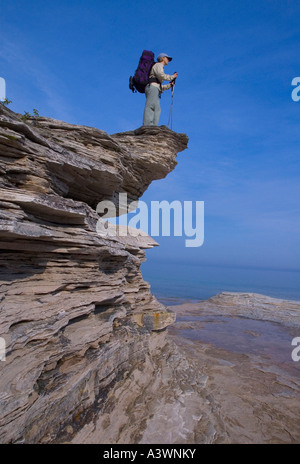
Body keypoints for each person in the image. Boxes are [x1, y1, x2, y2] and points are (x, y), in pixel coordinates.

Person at [143, 53, 178, 126]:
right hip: (152, 88)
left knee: (157, 108)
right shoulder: (158, 65)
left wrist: (169, 85)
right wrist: (172, 77)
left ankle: (153, 126)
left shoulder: (159, 66)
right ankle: (147, 126)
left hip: (154, 88)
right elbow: (161, 75)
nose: (168, 60)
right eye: (167, 58)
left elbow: (160, 86)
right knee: (151, 106)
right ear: (163, 58)